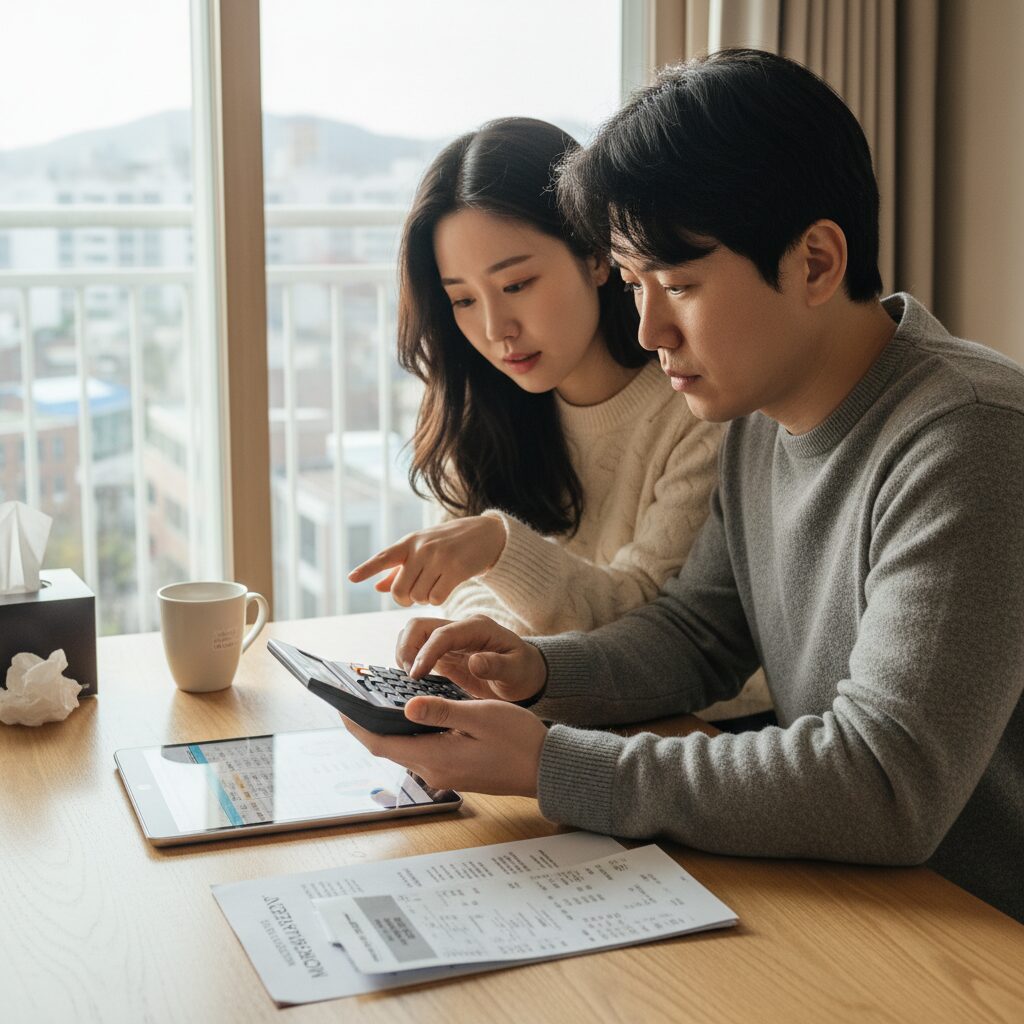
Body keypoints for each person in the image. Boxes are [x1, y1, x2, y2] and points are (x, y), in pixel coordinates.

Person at [340, 51, 1024, 923]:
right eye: (634, 285)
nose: (649, 329)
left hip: (979, 931)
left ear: (816, 262)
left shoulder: (971, 437)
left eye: (679, 285)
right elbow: (697, 636)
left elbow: (885, 781)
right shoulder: (760, 420)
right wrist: (535, 670)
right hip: (859, 897)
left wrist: (550, 764)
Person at [346, 117, 763, 715]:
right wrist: (475, 648)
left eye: (516, 284)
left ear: (596, 257)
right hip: (538, 712)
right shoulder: (479, 404)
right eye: (463, 299)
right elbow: (469, 594)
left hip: (692, 730)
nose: (496, 329)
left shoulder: (698, 409)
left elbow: (651, 632)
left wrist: (499, 547)